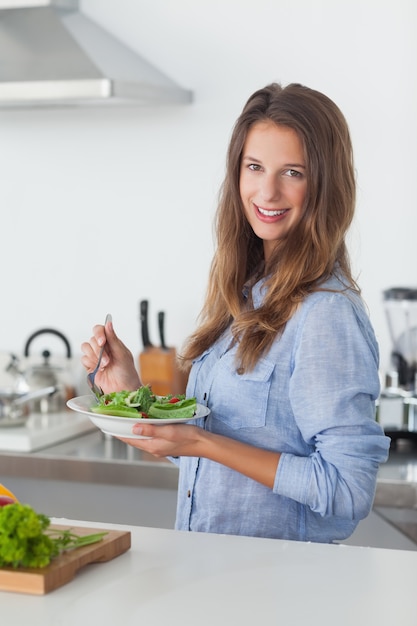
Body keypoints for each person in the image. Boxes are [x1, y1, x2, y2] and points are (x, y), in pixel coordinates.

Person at [81, 82, 390, 543]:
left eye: (293, 172)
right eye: (255, 167)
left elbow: (348, 490)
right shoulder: (245, 293)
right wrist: (130, 394)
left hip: (277, 592)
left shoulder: (325, 313)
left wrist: (202, 442)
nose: (267, 191)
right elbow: (214, 462)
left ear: (326, 185)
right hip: (211, 576)